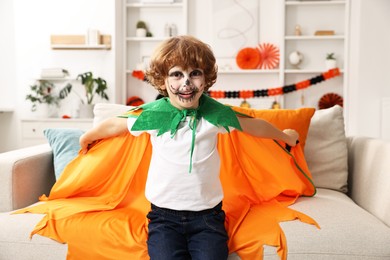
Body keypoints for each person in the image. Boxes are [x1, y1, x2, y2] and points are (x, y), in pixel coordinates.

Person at [79, 35, 299, 260]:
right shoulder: (154, 115)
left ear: (205, 79)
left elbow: (253, 125)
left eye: (194, 73)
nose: (186, 82)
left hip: (207, 218)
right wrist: (88, 136)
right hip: (163, 219)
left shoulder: (215, 116)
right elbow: (117, 124)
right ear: (163, 80)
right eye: (176, 74)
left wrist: (285, 136)